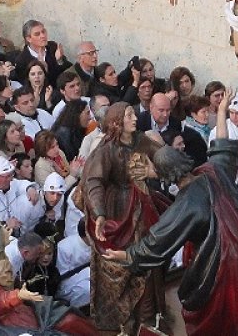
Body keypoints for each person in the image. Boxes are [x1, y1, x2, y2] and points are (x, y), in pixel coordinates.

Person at [104, 91, 238, 335]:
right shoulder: (210, 172)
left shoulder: (186, 205)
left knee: (224, 322)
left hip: (221, 270)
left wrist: (124, 255)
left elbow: (156, 242)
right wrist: (223, 110)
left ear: (164, 175)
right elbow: (223, 150)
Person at [80, 102, 163, 332]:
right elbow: (94, 181)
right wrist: (99, 214)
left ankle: (146, 318)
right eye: (129, 115)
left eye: (134, 114)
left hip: (141, 206)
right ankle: (118, 322)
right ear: (117, 122)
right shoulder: (106, 150)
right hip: (116, 211)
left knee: (147, 260)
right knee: (116, 266)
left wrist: (171, 166)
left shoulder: (141, 141)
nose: (134, 118)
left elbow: (161, 156)